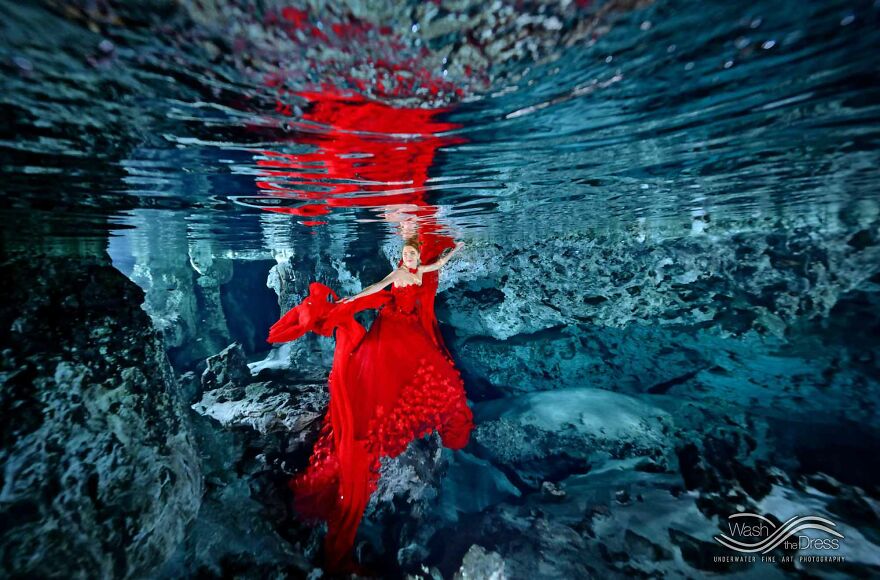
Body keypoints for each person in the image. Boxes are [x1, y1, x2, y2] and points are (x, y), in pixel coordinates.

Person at [267, 235, 473, 573]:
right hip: (390, 327)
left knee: (430, 370)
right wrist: (352, 298)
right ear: (402, 255)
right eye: (406, 252)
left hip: (407, 327)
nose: (409, 257)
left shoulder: (420, 271)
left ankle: (426, 411)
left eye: (412, 253)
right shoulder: (398, 274)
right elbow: (376, 289)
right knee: (383, 377)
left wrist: (456, 252)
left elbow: (438, 265)